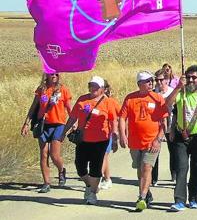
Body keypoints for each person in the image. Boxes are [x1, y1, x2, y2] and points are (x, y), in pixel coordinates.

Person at [164, 65, 197, 211]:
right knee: (182, 168)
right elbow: (167, 105)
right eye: (188, 77)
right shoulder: (180, 93)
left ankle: (194, 198)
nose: (190, 80)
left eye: (194, 78)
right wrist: (177, 88)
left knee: (196, 169)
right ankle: (179, 200)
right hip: (180, 138)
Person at [60, 76, 118, 205]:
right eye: (91, 85)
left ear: (102, 89)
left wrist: (115, 138)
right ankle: (89, 185)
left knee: (95, 168)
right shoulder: (82, 99)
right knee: (80, 166)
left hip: (100, 140)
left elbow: (114, 120)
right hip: (83, 140)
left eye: (96, 86)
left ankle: (92, 193)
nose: (93, 88)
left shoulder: (108, 102)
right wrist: (64, 132)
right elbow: (73, 117)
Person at [119, 71, 168, 212]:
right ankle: (147, 192)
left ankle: (141, 197)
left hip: (152, 141)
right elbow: (122, 118)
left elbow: (164, 121)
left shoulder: (157, 98)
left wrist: (158, 139)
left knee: (147, 167)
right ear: (139, 84)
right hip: (135, 142)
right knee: (140, 169)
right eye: (147, 81)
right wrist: (122, 135)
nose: (151, 83)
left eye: (151, 80)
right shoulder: (130, 98)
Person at [20, 72, 72, 193]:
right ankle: (46, 183)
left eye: (56, 74)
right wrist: (26, 123)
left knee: (54, 155)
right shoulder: (41, 90)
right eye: (51, 73)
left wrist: (73, 123)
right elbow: (33, 107)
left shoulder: (63, 90)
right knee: (43, 154)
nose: (53, 75)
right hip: (43, 124)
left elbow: (69, 108)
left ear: (59, 76)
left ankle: (61, 170)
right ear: (46, 75)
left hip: (58, 124)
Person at [152, 69, 176, 185]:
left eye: (161, 80)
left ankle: (174, 173)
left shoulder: (172, 92)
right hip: (157, 125)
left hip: (171, 124)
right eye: (156, 80)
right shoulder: (153, 93)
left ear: (166, 80)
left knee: (173, 150)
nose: (158, 83)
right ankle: (153, 177)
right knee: (155, 150)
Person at [100, 80, 121, 190]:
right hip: (94, 134)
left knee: (103, 156)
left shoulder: (111, 102)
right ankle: (107, 179)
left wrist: (117, 134)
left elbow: (121, 115)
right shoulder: (92, 100)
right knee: (104, 157)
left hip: (107, 133)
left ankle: (98, 178)